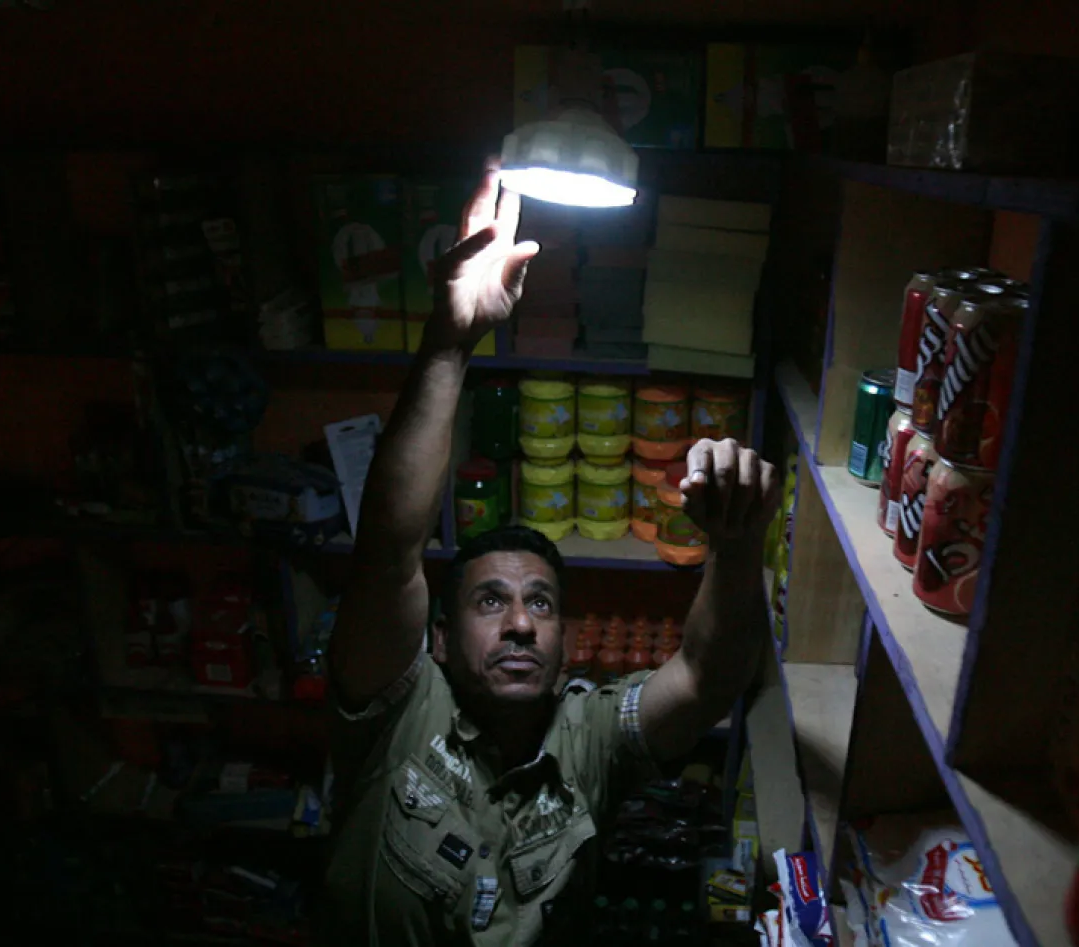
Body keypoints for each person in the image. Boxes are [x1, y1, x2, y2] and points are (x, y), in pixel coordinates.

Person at [323, 161, 780, 946]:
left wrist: (737, 544)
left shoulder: (589, 738)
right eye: (489, 601)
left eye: (540, 603)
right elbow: (390, 550)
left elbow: (708, 676)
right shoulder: (398, 713)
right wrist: (449, 341)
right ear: (437, 638)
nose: (521, 624)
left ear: (567, 642)